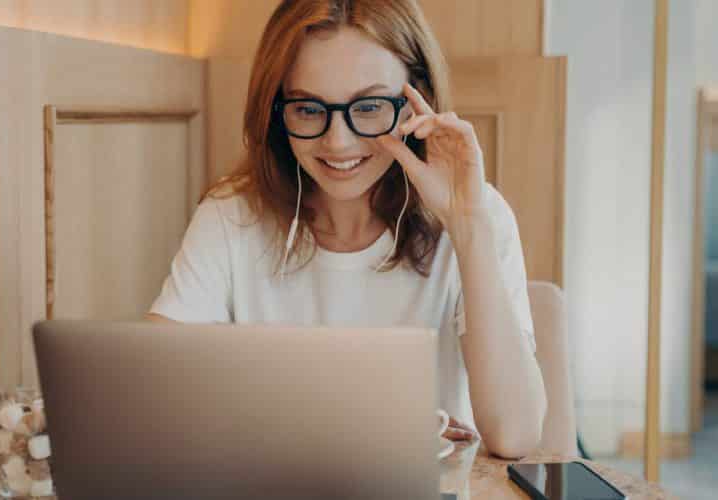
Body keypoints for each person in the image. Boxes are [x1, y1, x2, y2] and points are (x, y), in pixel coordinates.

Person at [147, 0, 546, 458]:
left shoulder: (480, 214)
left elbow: (515, 435)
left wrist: (468, 226)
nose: (338, 142)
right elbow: (156, 398)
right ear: (277, 109)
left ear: (419, 99)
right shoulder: (231, 214)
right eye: (309, 109)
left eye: (370, 106)